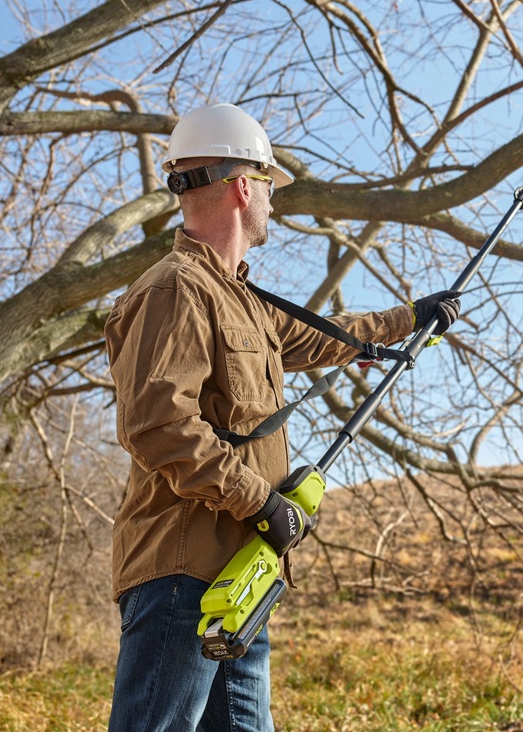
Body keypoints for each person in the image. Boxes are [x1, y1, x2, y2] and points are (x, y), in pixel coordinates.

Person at [104, 103, 460, 732]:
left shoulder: (242, 300)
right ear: (244, 186)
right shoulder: (174, 290)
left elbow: (325, 337)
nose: (273, 201)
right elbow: (159, 425)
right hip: (184, 574)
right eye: (269, 185)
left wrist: (411, 318)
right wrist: (261, 503)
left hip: (244, 578)